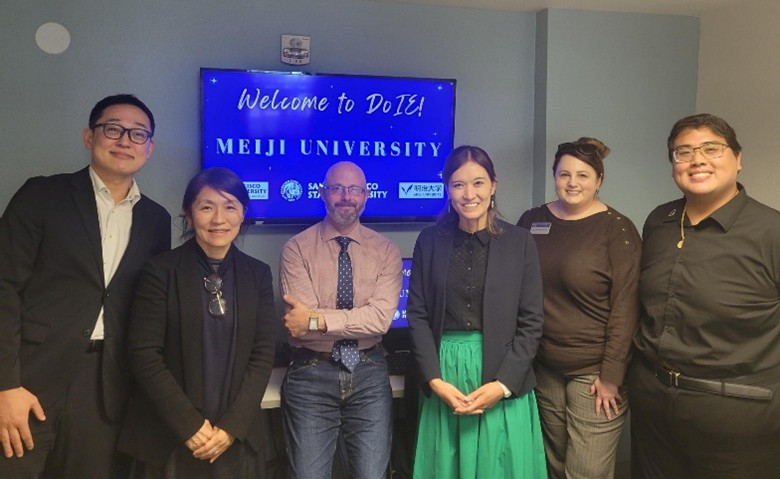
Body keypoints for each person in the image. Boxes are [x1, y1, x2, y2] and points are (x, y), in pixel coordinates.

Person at [0, 94, 171, 477]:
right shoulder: (42, 196)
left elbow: (149, 308)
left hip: (106, 389)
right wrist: (4, 385)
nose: (125, 140)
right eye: (113, 129)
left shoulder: (156, 220)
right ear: (88, 137)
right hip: (28, 380)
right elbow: (3, 287)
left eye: (138, 133)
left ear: (150, 147)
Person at [630, 114, 780, 478]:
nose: (697, 159)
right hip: (653, 409)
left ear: (738, 159)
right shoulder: (659, 222)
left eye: (711, 148)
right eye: (683, 152)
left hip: (737, 420)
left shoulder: (771, 232)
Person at [118, 167, 276, 477]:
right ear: (189, 214)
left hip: (235, 439)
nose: (219, 218)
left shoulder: (258, 274)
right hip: (169, 439)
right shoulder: (160, 271)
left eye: (230, 206)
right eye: (206, 207)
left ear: (243, 213)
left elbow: (262, 354)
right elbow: (144, 354)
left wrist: (232, 427)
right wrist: (189, 425)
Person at [408, 145, 547, 478]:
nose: (469, 194)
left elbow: (532, 322)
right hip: (446, 376)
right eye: (458, 184)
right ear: (447, 189)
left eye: (478, 183)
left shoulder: (520, 242)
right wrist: (435, 380)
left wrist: (502, 386)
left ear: (493, 186)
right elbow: (418, 315)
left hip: (502, 376)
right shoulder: (429, 241)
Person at [517, 138, 641, 478]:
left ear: (599, 180)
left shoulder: (618, 230)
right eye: (564, 174)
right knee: (554, 465)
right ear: (554, 176)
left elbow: (627, 307)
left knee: (586, 472)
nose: (573, 183)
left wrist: (612, 376)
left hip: (595, 373)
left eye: (583, 175)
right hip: (545, 367)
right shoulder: (531, 221)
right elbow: (514, 288)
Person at [279, 161, 402, 479]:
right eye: (337, 188)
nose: (346, 196)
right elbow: (299, 325)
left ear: (365, 196)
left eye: (354, 190)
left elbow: (379, 321)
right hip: (310, 374)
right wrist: (342, 320)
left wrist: (317, 320)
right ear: (322, 194)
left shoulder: (386, 252)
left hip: (370, 373)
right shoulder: (296, 249)